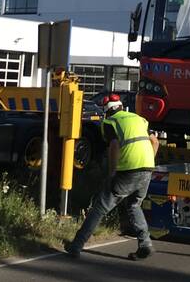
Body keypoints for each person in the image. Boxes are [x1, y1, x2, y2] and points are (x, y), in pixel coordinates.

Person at [65, 92, 159, 260]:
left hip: (127, 171)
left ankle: (76, 245)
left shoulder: (110, 122)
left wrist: (112, 171)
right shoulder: (138, 119)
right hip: (147, 169)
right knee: (134, 205)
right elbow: (155, 142)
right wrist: (148, 163)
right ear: (122, 107)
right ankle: (145, 244)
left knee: (100, 208)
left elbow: (114, 145)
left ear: (106, 111)